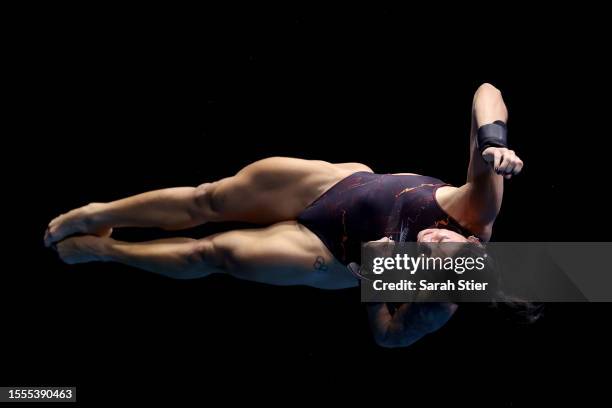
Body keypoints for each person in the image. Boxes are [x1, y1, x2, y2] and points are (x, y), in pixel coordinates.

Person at [44, 83, 523, 347]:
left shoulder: (437, 306)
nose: (426, 246)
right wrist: (494, 143)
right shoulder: (479, 209)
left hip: (328, 255)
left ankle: (106, 251)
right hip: (339, 185)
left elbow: (391, 338)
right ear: (475, 243)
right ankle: (94, 213)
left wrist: (374, 288)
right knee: (207, 199)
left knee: (212, 253)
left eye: (424, 266)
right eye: (441, 246)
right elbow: (487, 91)